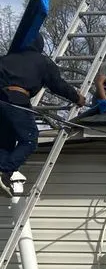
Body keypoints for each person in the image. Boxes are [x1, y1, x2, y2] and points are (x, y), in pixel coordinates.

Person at [0, 32, 86, 197]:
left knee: (5, 142)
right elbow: (58, 85)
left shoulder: (6, 58)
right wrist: (77, 98)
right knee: (30, 139)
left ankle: (2, 171)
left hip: (2, 101)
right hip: (17, 101)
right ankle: (4, 170)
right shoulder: (42, 62)